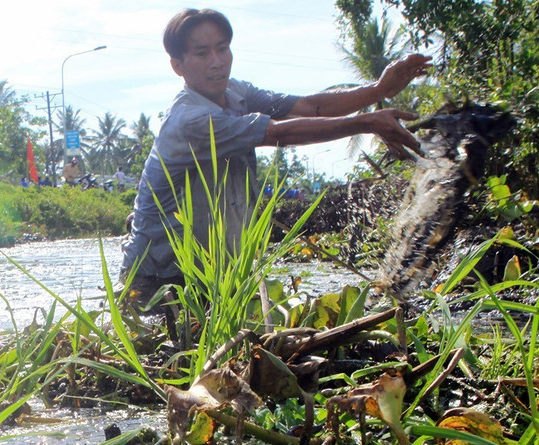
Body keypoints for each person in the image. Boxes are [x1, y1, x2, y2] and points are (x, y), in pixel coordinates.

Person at [120, 8, 431, 296]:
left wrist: (378, 90)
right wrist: (367, 123)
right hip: (157, 279)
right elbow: (282, 133)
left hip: (211, 276)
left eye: (223, 48)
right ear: (178, 66)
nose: (217, 61)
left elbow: (308, 106)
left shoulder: (236, 93)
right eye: (202, 53)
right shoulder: (191, 120)